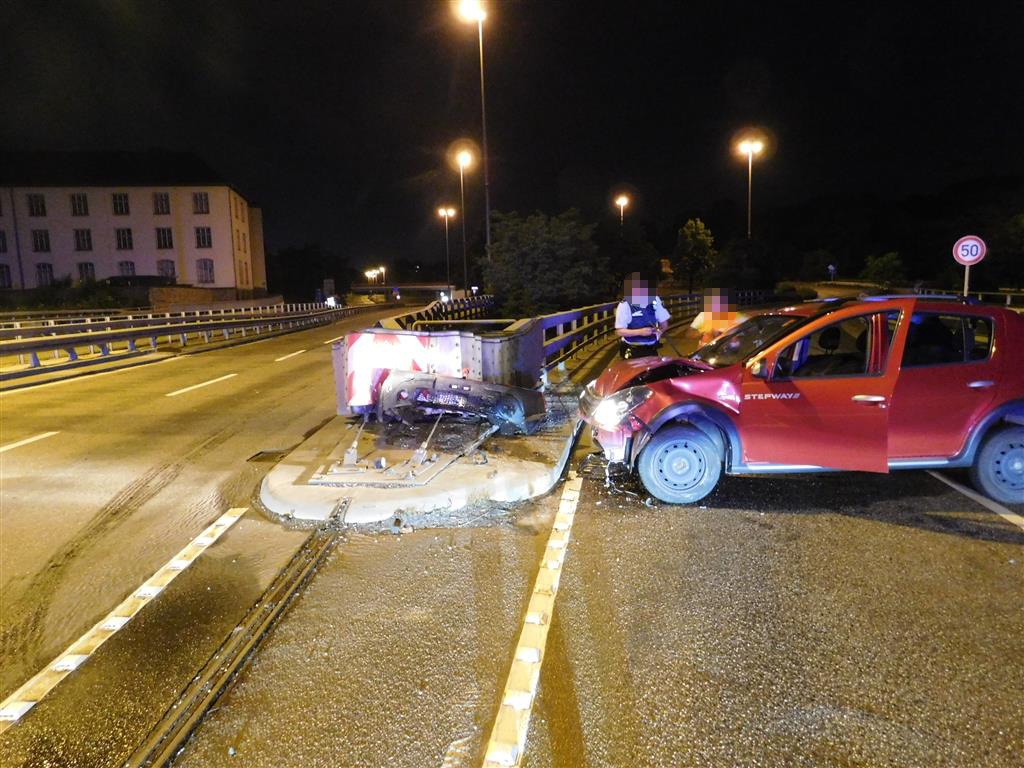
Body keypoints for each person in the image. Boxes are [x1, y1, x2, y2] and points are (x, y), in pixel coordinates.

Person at [615, 273, 671, 358]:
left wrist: (658, 332)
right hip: (631, 350)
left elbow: (664, 324)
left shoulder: (655, 300)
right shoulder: (625, 304)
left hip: (652, 350)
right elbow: (619, 331)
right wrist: (639, 332)